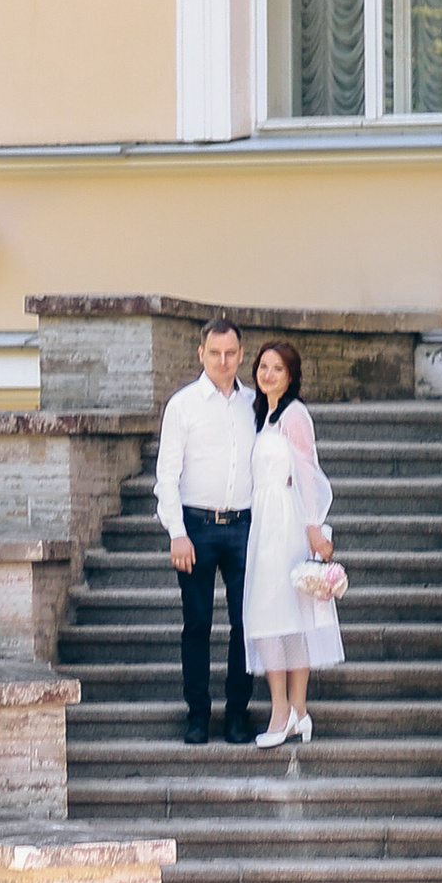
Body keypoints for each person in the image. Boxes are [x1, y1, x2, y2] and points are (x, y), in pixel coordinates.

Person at [154, 312, 256, 744]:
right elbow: (166, 475)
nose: (223, 360)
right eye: (214, 353)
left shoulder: (256, 404)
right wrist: (177, 531)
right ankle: (197, 715)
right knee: (196, 624)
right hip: (195, 526)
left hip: (244, 526)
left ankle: (236, 714)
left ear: (241, 354)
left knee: (245, 624)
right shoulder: (183, 405)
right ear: (201, 354)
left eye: (231, 353)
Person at [241, 339, 341, 746]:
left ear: (292, 375)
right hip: (262, 519)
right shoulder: (262, 415)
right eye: (263, 367)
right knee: (274, 615)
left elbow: (307, 471)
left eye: (277, 368)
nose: (268, 374)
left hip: (286, 519)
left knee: (281, 615)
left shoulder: (295, 415)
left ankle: (286, 710)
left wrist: (314, 526)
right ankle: (294, 711)